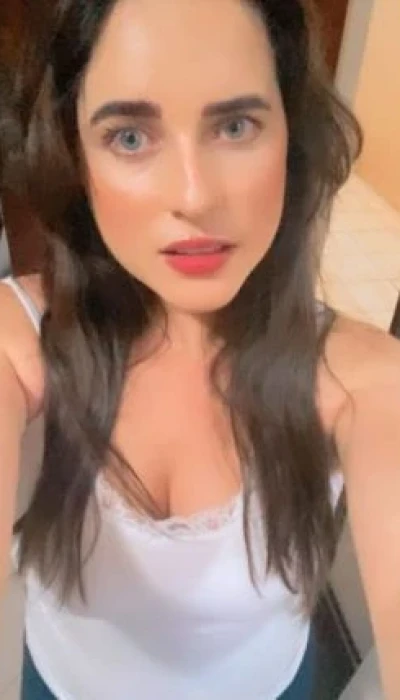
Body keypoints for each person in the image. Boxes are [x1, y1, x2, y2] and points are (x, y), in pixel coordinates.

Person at [0, 0, 400, 698]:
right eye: (130, 136)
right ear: (76, 157)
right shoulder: (20, 340)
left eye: (235, 126)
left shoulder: (363, 381)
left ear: (290, 138)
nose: (194, 195)